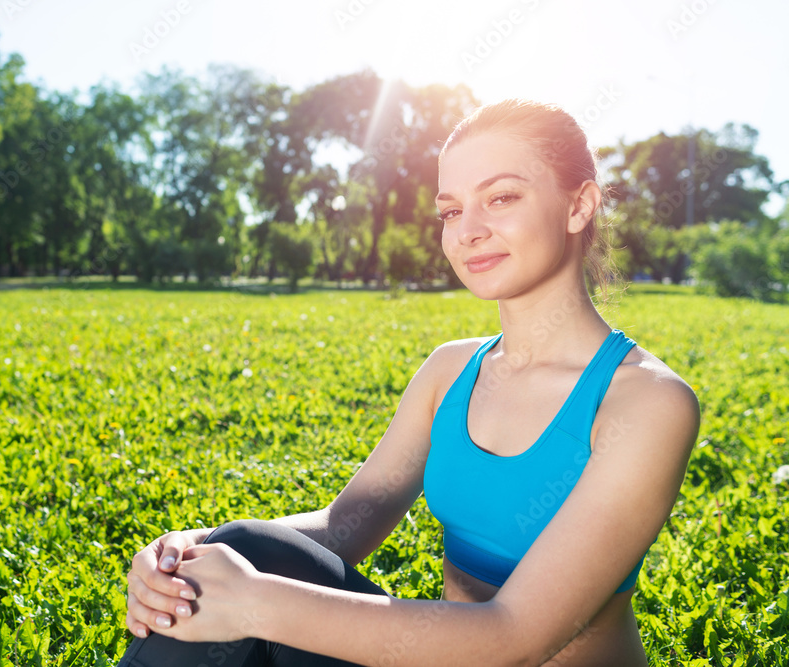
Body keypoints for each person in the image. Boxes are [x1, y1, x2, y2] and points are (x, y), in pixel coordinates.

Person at [119, 99, 700, 666]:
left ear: (579, 206)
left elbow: (516, 639)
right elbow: (342, 528)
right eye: (451, 210)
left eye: (501, 198)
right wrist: (191, 550)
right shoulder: (451, 371)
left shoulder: (646, 402)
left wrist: (255, 603)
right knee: (243, 547)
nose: (468, 231)